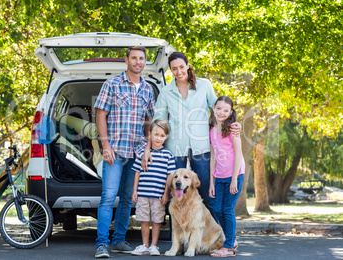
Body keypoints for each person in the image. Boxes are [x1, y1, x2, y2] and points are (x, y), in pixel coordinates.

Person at [141, 52, 240, 219]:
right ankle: (178, 244)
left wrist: (234, 124)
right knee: (176, 197)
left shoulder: (204, 85)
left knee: (208, 195)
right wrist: (148, 149)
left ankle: (216, 237)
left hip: (201, 147)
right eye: (174, 69)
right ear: (170, 71)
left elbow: (220, 110)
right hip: (175, 149)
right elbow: (159, 123)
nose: (178, 71)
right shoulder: (166, 92)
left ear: (187, 65)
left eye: (181, 67)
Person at [94, 46, 155, 258]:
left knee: (128, 199)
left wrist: (147, 148)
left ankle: (119, 240)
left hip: (136, 151)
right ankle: (102, 244)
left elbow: (149, 122)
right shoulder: (112, 84)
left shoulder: (148, 89)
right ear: (126, 60)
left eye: (141, 58)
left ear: (145, 62)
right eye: (134, 58)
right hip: (115, 150)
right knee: (108, 197)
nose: (138, 61)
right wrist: (105, 146)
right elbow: (100, 115)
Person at [130, 119, 176, 256]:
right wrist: (134, 191)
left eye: (162, 136)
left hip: (158, 195)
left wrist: (166, 194)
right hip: (143, 193)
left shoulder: (168, 155)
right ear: (150, 134)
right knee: (144, 220)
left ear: (166, 137)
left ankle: (154, 246)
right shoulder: (143, 154)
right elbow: (137, 173)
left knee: (157, 220)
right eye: (156, 134)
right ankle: (144, 245)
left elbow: (169, 177)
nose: (158, 138)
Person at [208, 96, 245, 257]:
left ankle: (228, 246)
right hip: (219, 176)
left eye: (226, 110)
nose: (221, 112)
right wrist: (211, 181)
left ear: (230, 113)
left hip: (234, 175)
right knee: (217, 209)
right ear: (214, 108)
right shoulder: (212, 131)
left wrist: (234, 179)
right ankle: (231, 239)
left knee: (227, 209)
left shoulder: (233, 130)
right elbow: (213, 157)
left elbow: (238, 154)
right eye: (219, 108)